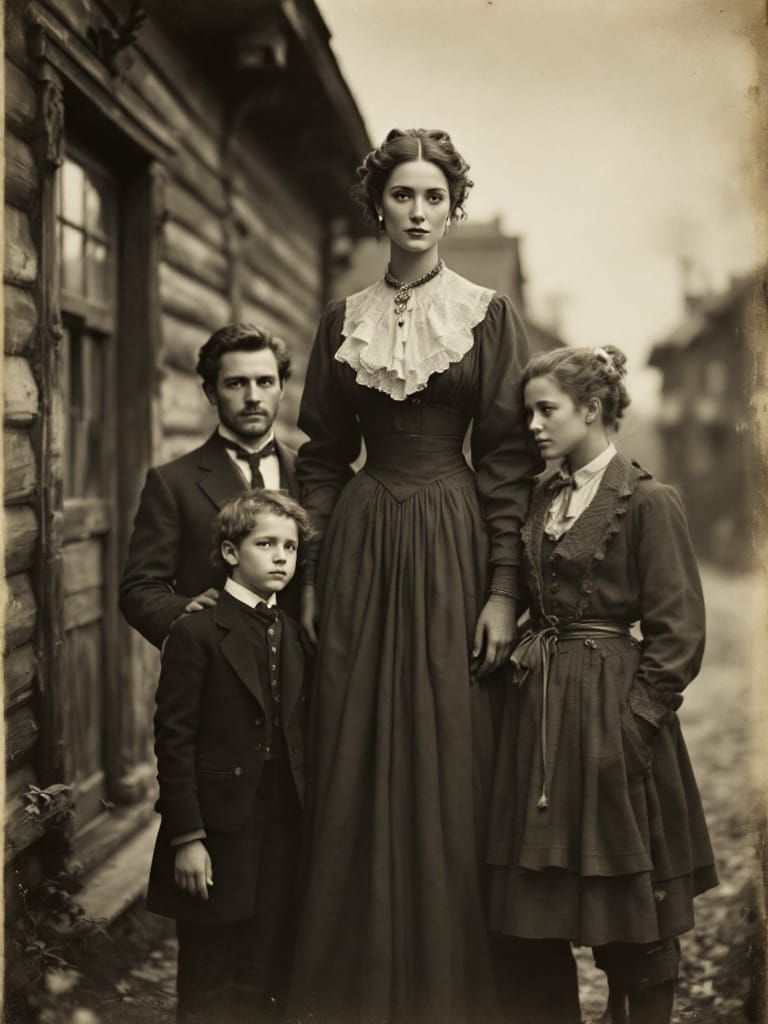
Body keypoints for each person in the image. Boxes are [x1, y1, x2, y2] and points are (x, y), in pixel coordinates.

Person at [287, 128, 543, 1024]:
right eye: (403, 194)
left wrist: (503, 589)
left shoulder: (486, 314)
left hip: (452, 538)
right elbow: (322, 456)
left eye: (436, 196)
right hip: (361, 542)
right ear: (378, 206)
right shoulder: (341, 321)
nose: (419, 211)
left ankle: (450, 982)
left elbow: (508, 460)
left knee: (454, 741)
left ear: (454, 208)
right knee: (350, 736)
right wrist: (312, 573)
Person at [486, 345, 718, 1024]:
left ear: (591, 408)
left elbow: (679, 634)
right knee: (541, 907)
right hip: (542, 715)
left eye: (546, 410)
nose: (533, 425)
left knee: (635, 912)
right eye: (528, 412)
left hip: (615, 717)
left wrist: (633, 727)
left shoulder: (647, 501)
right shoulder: (542, 496)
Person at [145, 489, 312, 1024]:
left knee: (264, 969)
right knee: (210, 972)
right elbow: (174, 740)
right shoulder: (196, 631)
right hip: (217, 830)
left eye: (290, 546)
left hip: (279, 826)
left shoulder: (294, 634)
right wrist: (187, 838)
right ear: (230, 552)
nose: (281, 556)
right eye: (266, 544)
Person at [120, 323, 299, 648]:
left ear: (282, 387)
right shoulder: (173, 482)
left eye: (265, 382)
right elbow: (139, 589)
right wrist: (181, 612)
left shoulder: (311, 474)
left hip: (306, 667)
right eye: (236, 383)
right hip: (217, 666)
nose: (253, 397)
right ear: (211, 393)